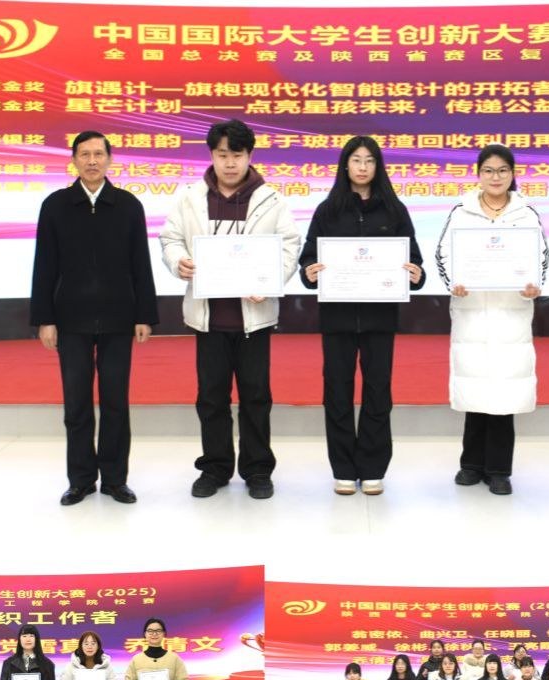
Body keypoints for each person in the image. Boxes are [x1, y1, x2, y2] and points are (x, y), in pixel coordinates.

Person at [160, 118, 301, 500]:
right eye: (222, 155)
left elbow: (289, 247)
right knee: (211, 398)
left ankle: (257, 470)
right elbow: (171, 238)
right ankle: (215, 468)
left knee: (256, 397)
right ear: (212, 155)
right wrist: (178, 261)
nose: (230, 163)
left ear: (249, 155)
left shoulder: (271, 199)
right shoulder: (191, 197)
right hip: (208, 318)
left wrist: (269, 280)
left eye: (237, 155)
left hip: (254, 319)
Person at [30, 130, 158, 506]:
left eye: (98, 154)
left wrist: (145, 315)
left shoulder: (128, 205)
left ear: (109, 160)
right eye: (84, 154)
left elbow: (140, 264)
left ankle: (115, 480)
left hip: (119, 319)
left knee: (116, 401)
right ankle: (81, 479)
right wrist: (45, 318)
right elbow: (44, 266)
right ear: (73, 160)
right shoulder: (55, 206)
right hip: (70, 320)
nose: (91, 161)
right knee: (77, 404)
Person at [298, 134, 425, 494]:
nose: (363, 167)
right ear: (345, 166)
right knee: (337, 392)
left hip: (379, 318)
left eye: (370, 160)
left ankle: (372, 467)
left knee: (378, 392)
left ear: (378, 166)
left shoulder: (395, 210)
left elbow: (414, 261)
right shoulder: (327, 210)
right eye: (356, 160)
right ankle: (342, 467)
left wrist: (416, 274)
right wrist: (309, 272)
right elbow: (308, 258)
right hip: (336, 318)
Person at [436, 143, 549, 494]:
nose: (495, 177)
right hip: (471, 312)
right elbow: (442, 255)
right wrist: (453, 282)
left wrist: (534, 285)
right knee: (475, 386)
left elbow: (542, 257)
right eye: (488, 170)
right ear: (478, 174)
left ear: (512, 174)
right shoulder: (461, 212)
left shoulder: (526, 214)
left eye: (502, 170)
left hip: (511, 313)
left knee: (505, 390)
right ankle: (471, 465)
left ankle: (500, 470)